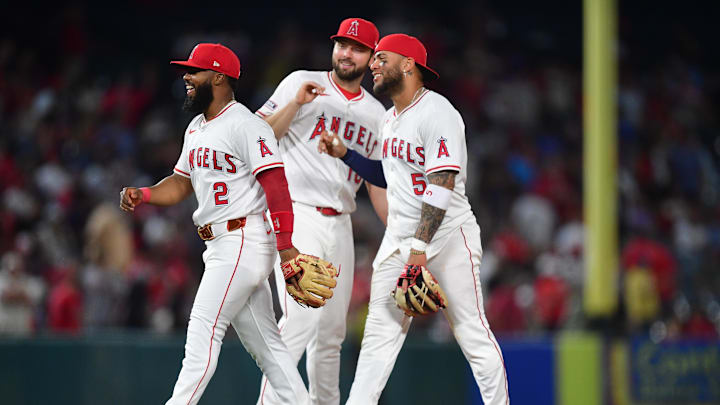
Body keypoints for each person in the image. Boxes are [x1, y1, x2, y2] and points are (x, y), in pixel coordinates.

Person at [120, 43, 321, 405]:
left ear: (217, 77)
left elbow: (275, 183)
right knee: (268, 348)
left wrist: (287, 247)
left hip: (243, 239)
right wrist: (145, 194)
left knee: (203, 329)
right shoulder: (197, 128)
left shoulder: (247, 124)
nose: (186, 76)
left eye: (194, 71)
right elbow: (181, 182)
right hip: (221, 245)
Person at [317, 34, 510, 404]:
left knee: (471, 333)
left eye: (381, 58)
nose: (372, 64)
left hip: (448, 236)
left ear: (408, 65)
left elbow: (442, 182)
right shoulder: (389, 119)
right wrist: (346, 154)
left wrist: (420, 250)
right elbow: (389, 175)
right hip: (401, 240)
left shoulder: (438, 112)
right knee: (377, 340)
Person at [254, 17, 388, 405]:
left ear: (372, 57)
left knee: (331, 334)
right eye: (342, 44)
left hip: (341, 222)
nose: (347, 52)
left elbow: (377, 184)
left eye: (357, 47)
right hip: (296, 213)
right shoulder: (301, 81)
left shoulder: (378, 115)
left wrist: (400, 237)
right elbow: (258, 137)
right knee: (300, 319)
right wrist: (296, 102)